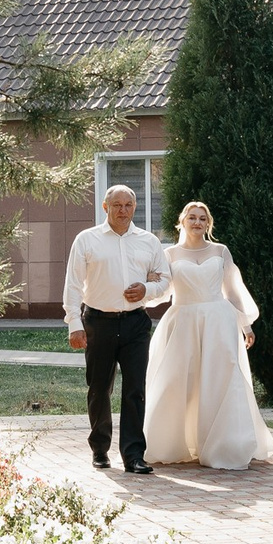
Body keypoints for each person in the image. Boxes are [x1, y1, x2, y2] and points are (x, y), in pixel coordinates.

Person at [142, 201, 273, 470]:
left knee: (221, 378)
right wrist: (143, 290)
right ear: (182, 221)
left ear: (208, 224)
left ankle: (225, 444)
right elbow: (164, 289)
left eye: (203, 218)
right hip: (183, 320)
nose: (197, 222)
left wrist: (245, 325)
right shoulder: (169, 254)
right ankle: (174, 442)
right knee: (178, 380)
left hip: (219, 321)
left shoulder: (220, 251)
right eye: (192, 217)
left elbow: (232, 290)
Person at [62, 185, 167, 473]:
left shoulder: (149, 241)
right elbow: (73, 285)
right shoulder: (87, 240)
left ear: (135, 208)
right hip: (98, 322)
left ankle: (133, 455)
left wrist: (147, 289)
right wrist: (74, 323)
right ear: (105, 207)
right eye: (117, 205)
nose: (123, 210)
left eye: (129, 205)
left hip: (136, 323)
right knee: (99, 388)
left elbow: (165, 281)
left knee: (135, 389)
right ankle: (99, 449)